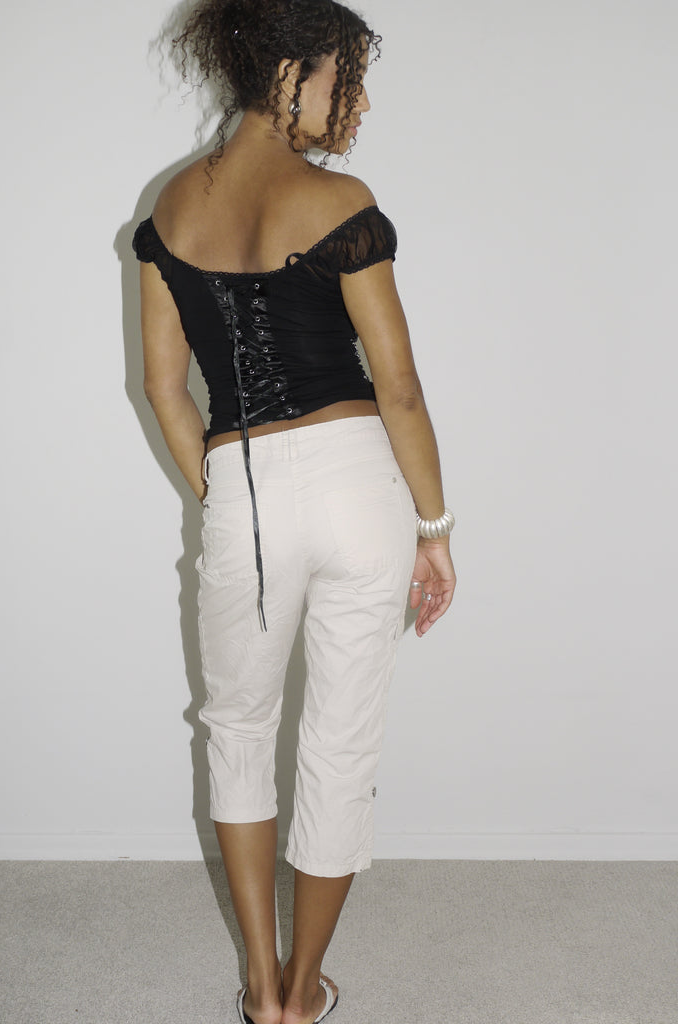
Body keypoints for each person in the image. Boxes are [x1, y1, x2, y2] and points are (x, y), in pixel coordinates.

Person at [132, 2, 456, 1021]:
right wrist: (437, 531)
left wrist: (223, 485)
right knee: (339, 742)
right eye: (338, 77)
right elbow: (398, 388)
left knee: (235, 727)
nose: (345, 101)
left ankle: (260, 986)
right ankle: (304, 986)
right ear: (290, 71)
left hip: (248, 497)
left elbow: (162, 387)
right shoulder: (341, 200)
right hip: (362, 488)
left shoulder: (170, 210)